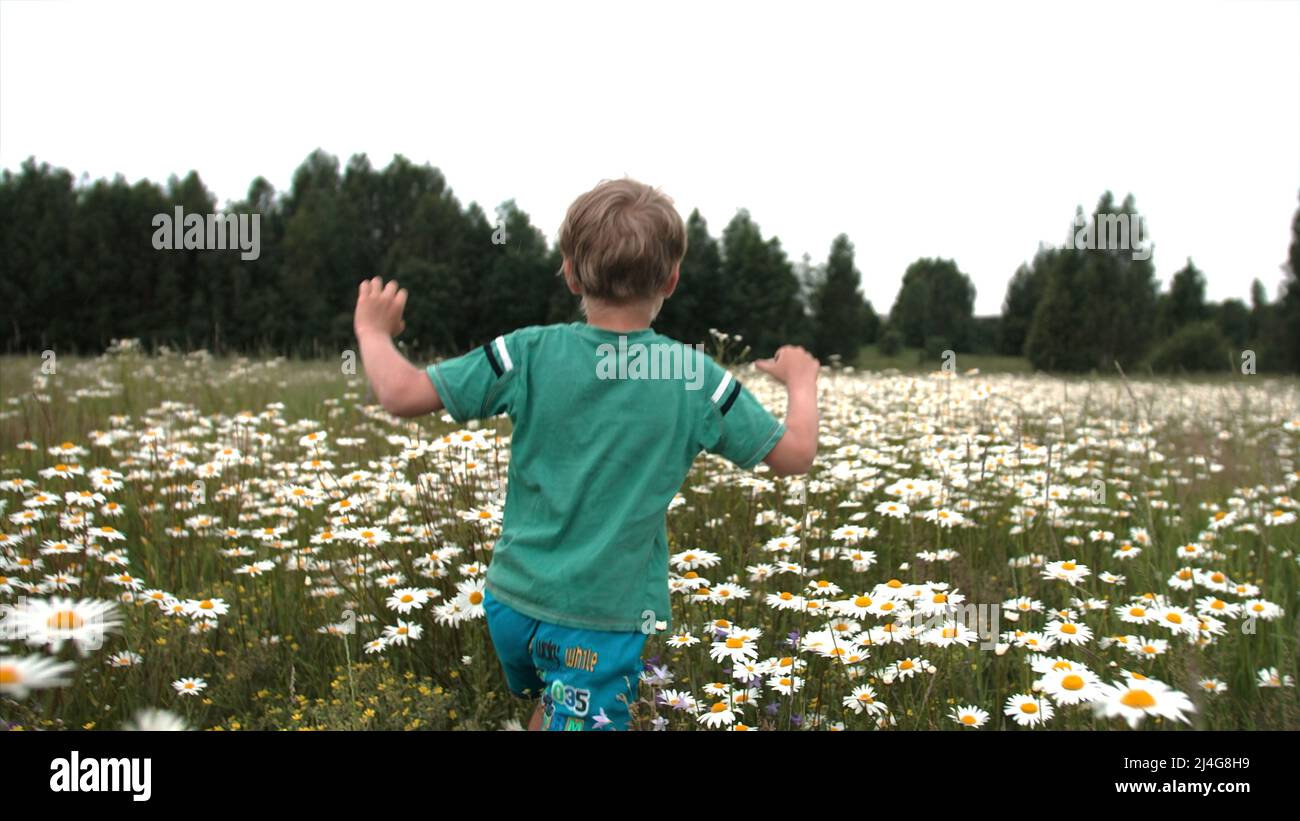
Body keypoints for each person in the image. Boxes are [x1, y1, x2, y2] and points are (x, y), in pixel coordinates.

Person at [352, 177, 820, 730]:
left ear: (570, 271)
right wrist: (801, 382)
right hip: (600, 621)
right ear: (671, 278)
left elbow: (401, 395)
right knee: (571, 708)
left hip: (509, 604)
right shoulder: (692, 376)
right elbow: (794, 456)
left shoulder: (526, 353)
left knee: (556, 706)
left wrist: (372, 331)